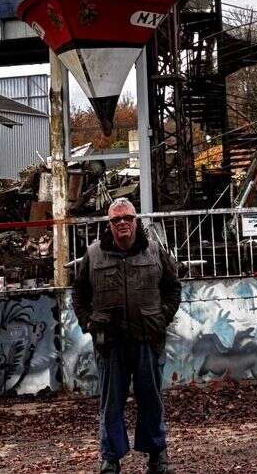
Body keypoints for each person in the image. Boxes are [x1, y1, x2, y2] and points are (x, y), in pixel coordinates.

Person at [73, 198, 182, 474]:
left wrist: (162, 318)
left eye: (127, 218)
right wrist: (89, 323)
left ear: (136, 221)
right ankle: (111, 459)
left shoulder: (154, 252)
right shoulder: (94, 255)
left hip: (148, 340)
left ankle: (158, 457)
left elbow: (173, 288)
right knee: (110, 405)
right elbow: (79, 293)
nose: (122, 223)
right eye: (116, 219)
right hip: (110, 344)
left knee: (151, 399)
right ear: (109, 225)